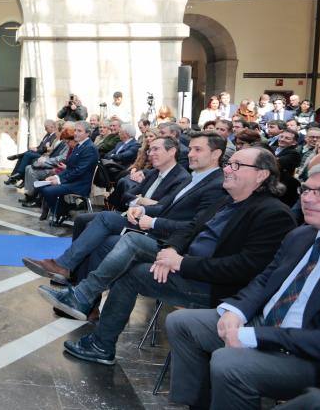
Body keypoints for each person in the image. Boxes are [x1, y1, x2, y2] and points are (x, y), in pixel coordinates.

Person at [60, 147, 295, 367]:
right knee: (132, 242)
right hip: (185, 263)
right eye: (228, 163)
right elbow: (189, 229)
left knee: (131, 270)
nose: (227, 169)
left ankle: (95, 328)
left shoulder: (273, 214)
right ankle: (87, 306)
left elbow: (244, 268)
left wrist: (181, 263)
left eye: (236, 165)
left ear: (261, 175)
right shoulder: (227, 201)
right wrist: (171, 251)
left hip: (214, 286)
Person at [165, 160, 320, 409]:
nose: (309, 199)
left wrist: (255, 335)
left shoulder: (277, 216)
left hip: (310, 354)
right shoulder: (302, 235)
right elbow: (265, 279)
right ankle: (196, 404)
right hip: (264, 322)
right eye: (307, 189)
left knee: (229, 363)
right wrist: (236, 310)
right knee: (182, 323)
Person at [36, 131, 227, 318]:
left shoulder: (210, 183)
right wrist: (143, 209)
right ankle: (81, 297)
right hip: (148, 224)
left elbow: (194, 226)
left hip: (168, 242)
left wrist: (152, 221)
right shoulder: (193, 178)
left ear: (216, 154)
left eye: (197, 150)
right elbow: (154, 203)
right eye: (191, 149)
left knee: (104, 225)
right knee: (98, 233)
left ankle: (74, 282)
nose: (190, 154)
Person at [22, 136, 190, 283]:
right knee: (82, 220)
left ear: (172, 151)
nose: (150, 153)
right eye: (150, 149)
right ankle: (71, 272)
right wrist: (140, 200)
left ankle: (63, 266)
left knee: (104, 220)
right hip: (131, 215)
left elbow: (163, 208)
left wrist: (141, 205)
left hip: (149, 226)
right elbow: (126, 195)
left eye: (156, 149)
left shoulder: (181, 178)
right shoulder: (154, 173)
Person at [37, 121, 99, 221]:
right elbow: (70, 167)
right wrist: (56, 177)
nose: (75, 133)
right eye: (75, 130)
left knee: (48, 190)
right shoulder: (79, 146)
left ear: (87, 133)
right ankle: (64, 210)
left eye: (79, 131)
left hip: (80, 184)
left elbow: (79, 171)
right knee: (42, 185)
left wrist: (59, 180)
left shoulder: (90, 148)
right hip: (73, 180)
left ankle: (61, 212)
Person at [4, 120, 58, 185]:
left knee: (27, 154)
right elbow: (41, 145)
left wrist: (37, 150)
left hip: (44, 155)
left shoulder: (55, 136)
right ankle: (13, 177)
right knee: (25, 155)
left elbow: (48, 149)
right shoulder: (47, 135)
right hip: (39, 152)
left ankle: (19, 170)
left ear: (52, 127)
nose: (45, 129)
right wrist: (36, 148)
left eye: (46, 128)